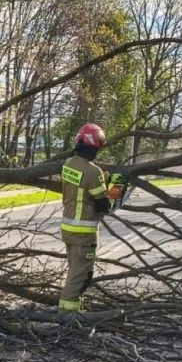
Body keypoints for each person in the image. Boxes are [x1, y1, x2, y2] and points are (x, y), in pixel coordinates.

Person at [58, 123, 113, 313]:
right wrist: (111, 192)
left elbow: (80, 187)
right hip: (84, 232)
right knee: (79, 277)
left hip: (68, 229)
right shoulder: (93, 171)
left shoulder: (68, 164)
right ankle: (66, 315)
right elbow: (103, 204)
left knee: (75, 271)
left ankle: (73, 310)